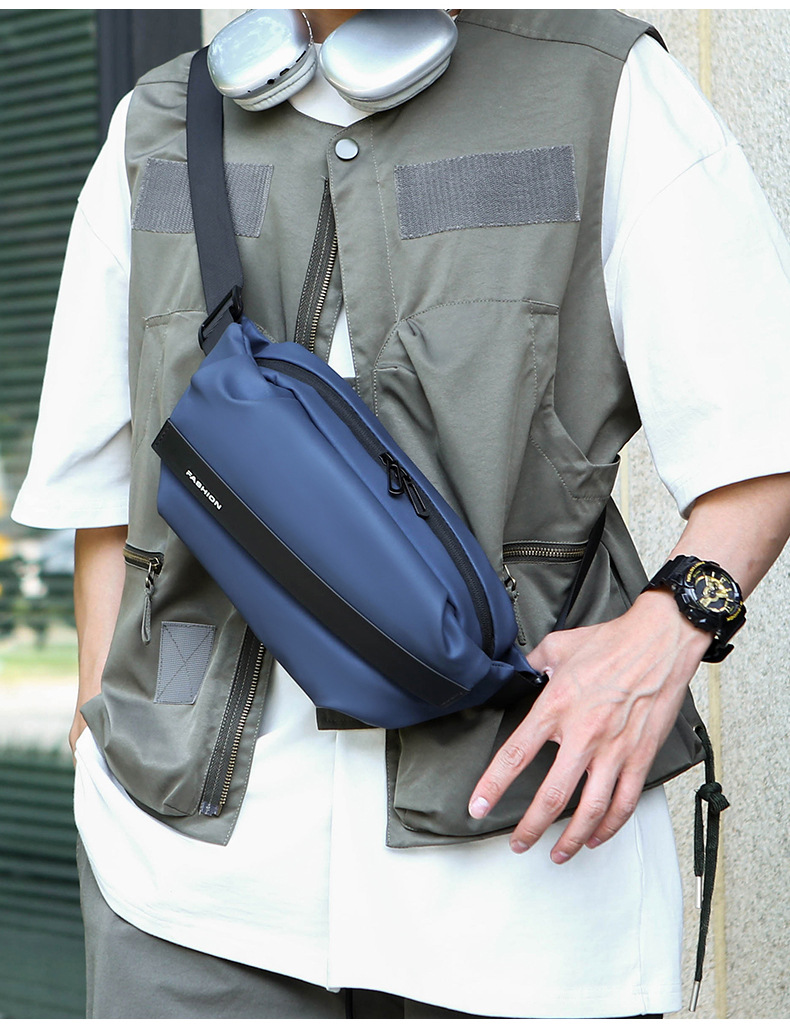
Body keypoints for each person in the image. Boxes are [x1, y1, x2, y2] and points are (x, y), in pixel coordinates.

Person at [12, 8, 790, 1020]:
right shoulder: (154, 124)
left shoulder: (604, 90)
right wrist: (98, 734)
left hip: (524, 884)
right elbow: (103, 485)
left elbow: (762, 439)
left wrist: (665, 636)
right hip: (182, 887)